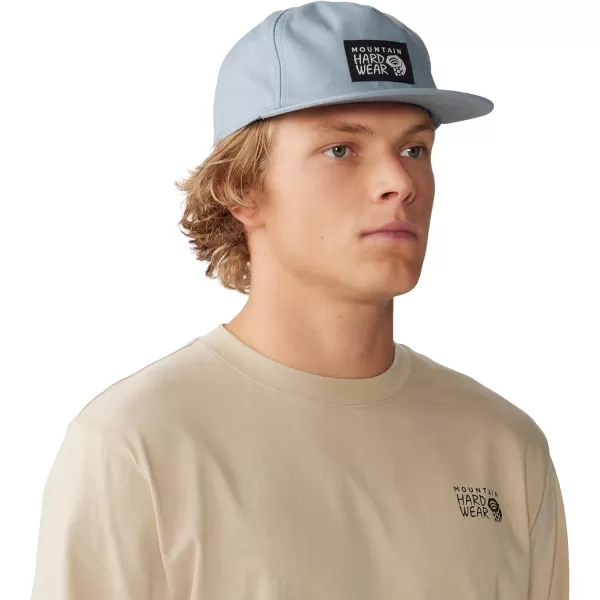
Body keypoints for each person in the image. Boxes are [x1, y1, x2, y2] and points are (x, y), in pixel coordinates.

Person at [30, 2, 568, 598]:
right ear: (239, 188)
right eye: (341, 149)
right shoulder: (136, 449)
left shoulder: (505, 449)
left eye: (414, 149)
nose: (400, 182)